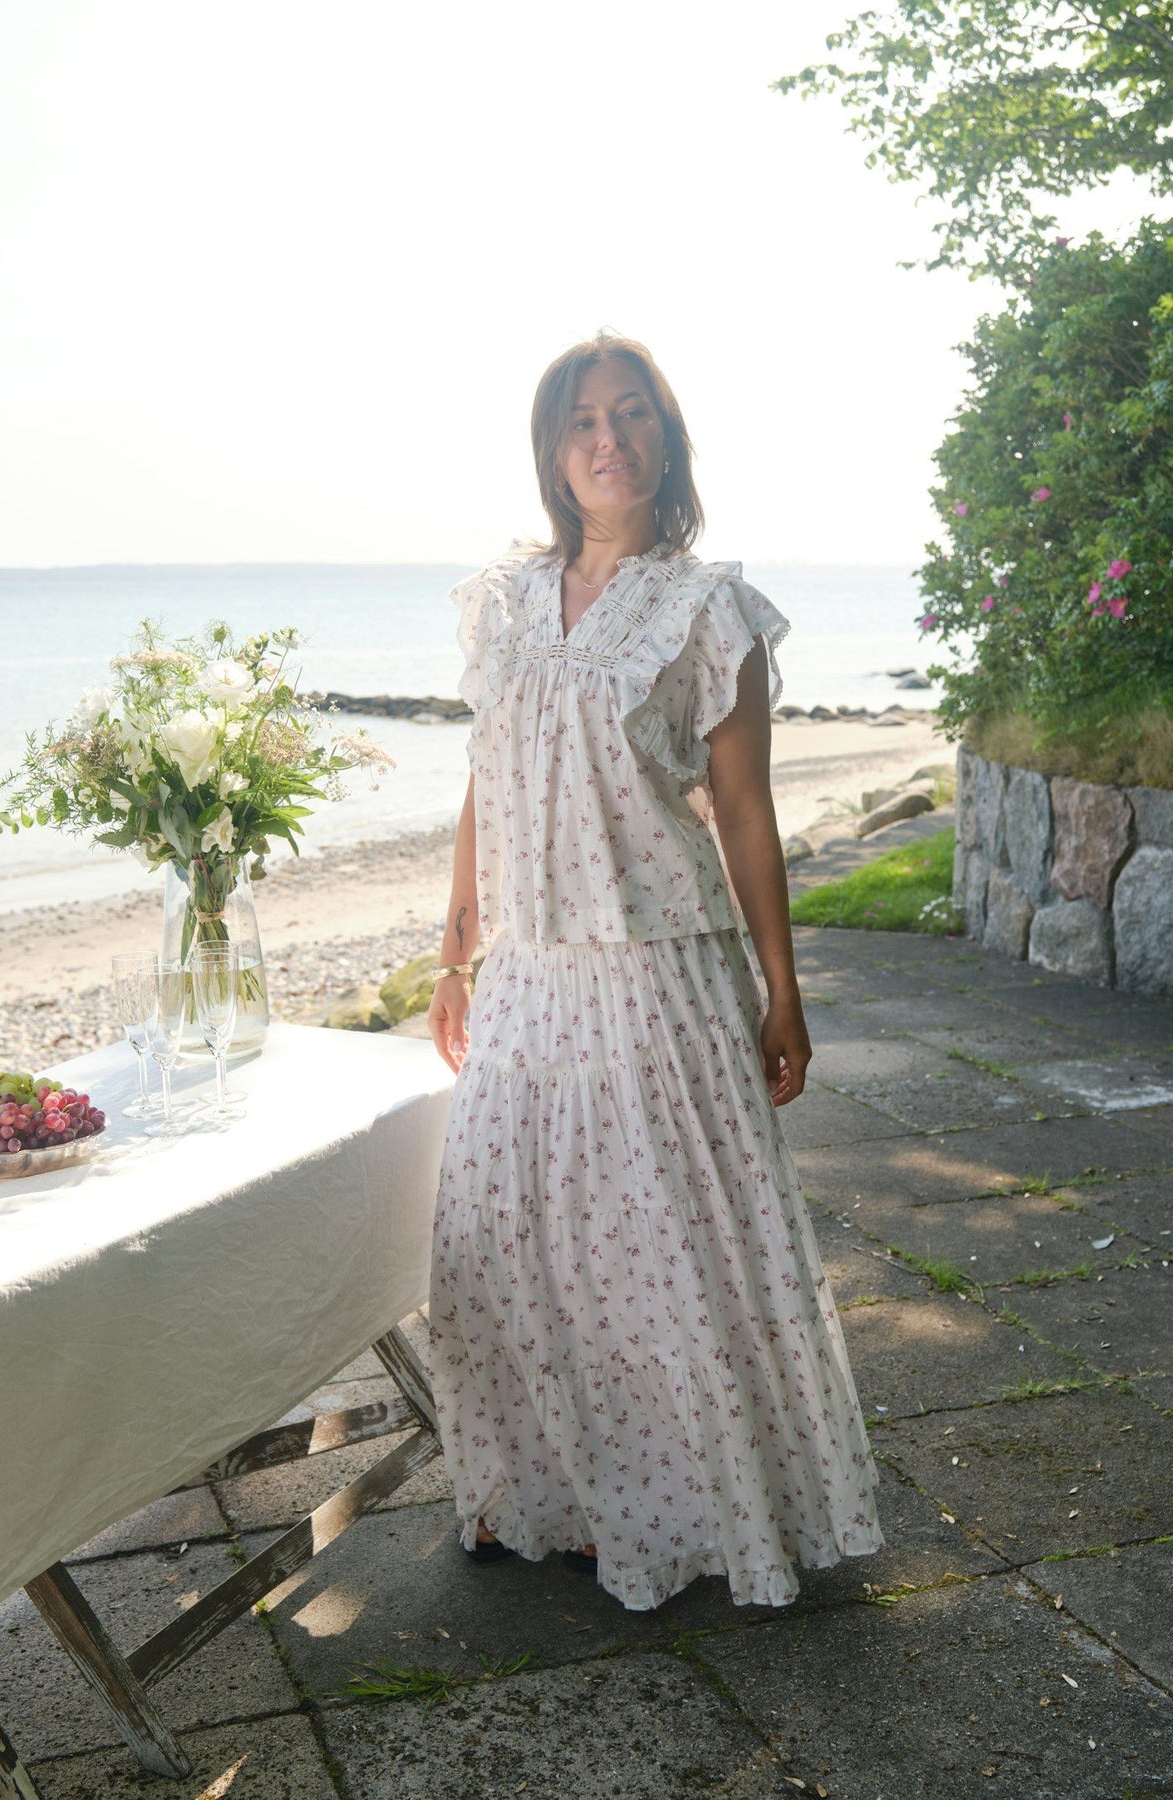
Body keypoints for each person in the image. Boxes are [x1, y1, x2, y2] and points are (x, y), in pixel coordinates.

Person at [424, 332, 885, 1612]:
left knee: (661, 1261)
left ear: (667, 442)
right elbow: (486, 782)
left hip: (657, 968)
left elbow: (743, 811)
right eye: (582, 421)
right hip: (529, 975)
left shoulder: (705, 609)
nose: (607, 439)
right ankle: (546, 1494)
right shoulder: (503, 603)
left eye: (631, 415)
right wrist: (454, 952)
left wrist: (783, 990)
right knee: (512, 1245)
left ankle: (680, 1510)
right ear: (552, 451)